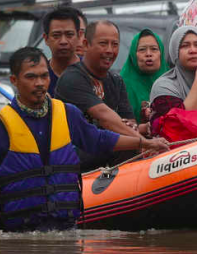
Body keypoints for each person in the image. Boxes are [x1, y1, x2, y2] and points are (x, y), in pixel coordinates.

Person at [0, 47, 168, 236]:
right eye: (31, 77)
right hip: (17, 236)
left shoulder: (68, 113)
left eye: (44, 76)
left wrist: (143, 143)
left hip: (65, 231)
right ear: (14, 80)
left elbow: (99, 140)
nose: (40, 83)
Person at [54, 20, 144, 171]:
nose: (110, 50)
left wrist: (139, 131)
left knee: (130, 145)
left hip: (107, 166)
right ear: (86, 44)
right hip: (74, 162)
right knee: (129, 143)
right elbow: (104, 116)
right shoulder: (72, 78)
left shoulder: (116, 81)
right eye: (103, 43)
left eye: (114, 45)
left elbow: (129, 124)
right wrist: (144, 142)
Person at [120, 29, 168, 123]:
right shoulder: (121, 85)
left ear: (161, 53)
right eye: (142, 50)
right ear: (133, 55)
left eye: (154, 49)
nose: (148, 54)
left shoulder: (172, 82)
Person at [42, 7, 82, 97]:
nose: (63, 41)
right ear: (46, 38)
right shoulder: (39, 77)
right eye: (56, 35)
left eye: (69, 35)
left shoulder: (92, 72)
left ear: (79, 36)